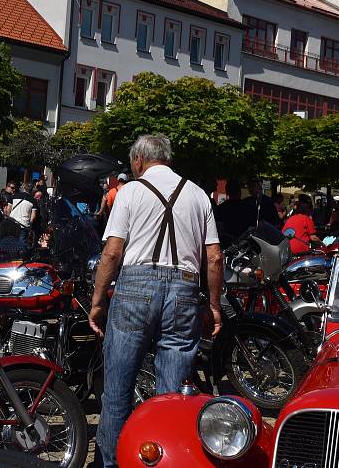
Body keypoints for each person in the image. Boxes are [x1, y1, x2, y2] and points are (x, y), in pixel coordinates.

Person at [88, 134, 222, 467]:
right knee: (173, 397)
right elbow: (215, 257)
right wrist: (215, 306)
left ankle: (111, 463)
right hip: (185, 290)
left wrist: (96, 301)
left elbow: (112, 252)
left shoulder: (130, 191)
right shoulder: (197, 194)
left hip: (134, 286)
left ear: (138, 161)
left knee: (117, 392)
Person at [214, 179, 248, 247]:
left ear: (227, 192)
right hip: (244, 245)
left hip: (227, 245)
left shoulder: (221, 208)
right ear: (240, 191)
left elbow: (219, 229)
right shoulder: (247, 207)